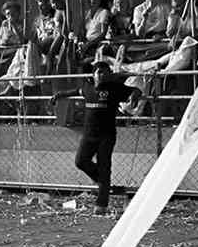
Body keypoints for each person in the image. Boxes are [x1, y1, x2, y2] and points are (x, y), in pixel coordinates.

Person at [50, 60, 140, 215]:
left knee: (105, 166)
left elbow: (135, 90)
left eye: (105, 72)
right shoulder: (87, 87)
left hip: (107, 135)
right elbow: (75, 92)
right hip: (89, 135)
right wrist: (59, 95)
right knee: (80, 161)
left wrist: (134, 96)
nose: (102, 75)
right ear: (93, 75)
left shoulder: (114, 89)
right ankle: (105, 184)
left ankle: (102, 205)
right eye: (99, 72)